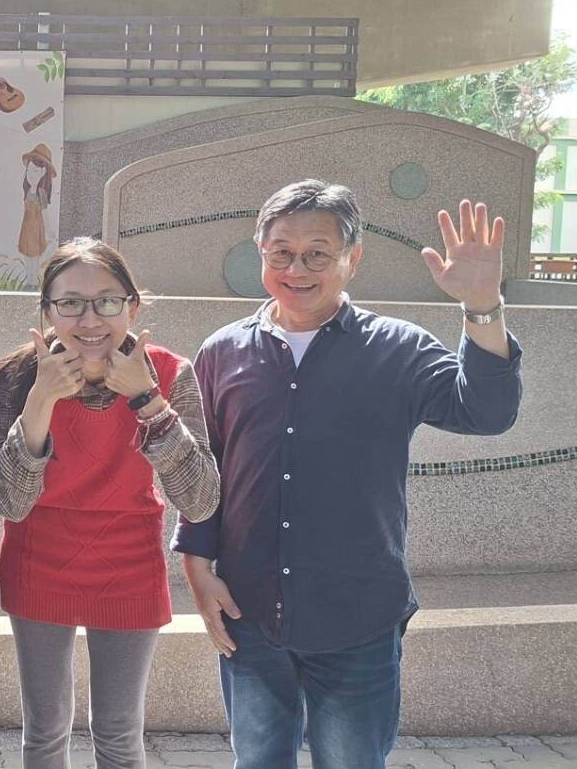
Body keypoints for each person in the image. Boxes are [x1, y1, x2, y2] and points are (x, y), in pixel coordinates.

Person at [174, 182, 524, 769]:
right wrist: (196, 566)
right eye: (282, 252)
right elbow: (203, 470)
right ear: (260, 253)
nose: (297, 269)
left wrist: (482, 306)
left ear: (352, 258)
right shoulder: (222, 352)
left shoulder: (398, 348)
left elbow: (486, 413)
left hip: (357, 616)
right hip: (249, 611)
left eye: (318, 253)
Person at [0, 237, 221, 769]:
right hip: (38, 561)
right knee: (45, 730)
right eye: (70, 302)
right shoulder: (18, 376)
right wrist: (41, 400)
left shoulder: (169, 372)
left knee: (117, 732)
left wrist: (147, 400)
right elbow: (11, 503)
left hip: (129, 564)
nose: (90, 320)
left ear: (132, 306)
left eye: (107, 301)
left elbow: (201, 500)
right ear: (46, 311)